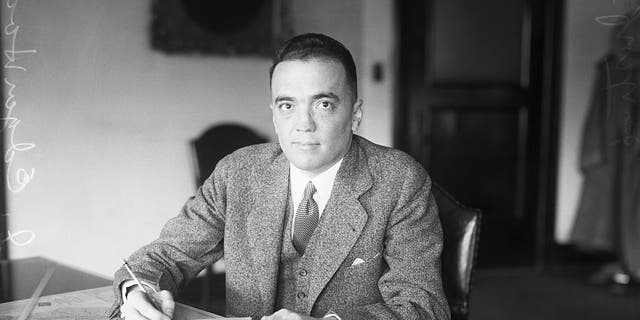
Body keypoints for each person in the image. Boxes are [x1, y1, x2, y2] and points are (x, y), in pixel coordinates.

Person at [109, 33, 450, 320]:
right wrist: (137, 290)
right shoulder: (237, 173)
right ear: (274, 116)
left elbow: (423, 306)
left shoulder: (402, 181)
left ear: (355, 114)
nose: (304, 124)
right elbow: (164, 255)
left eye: (324, 104)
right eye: (288, 105)